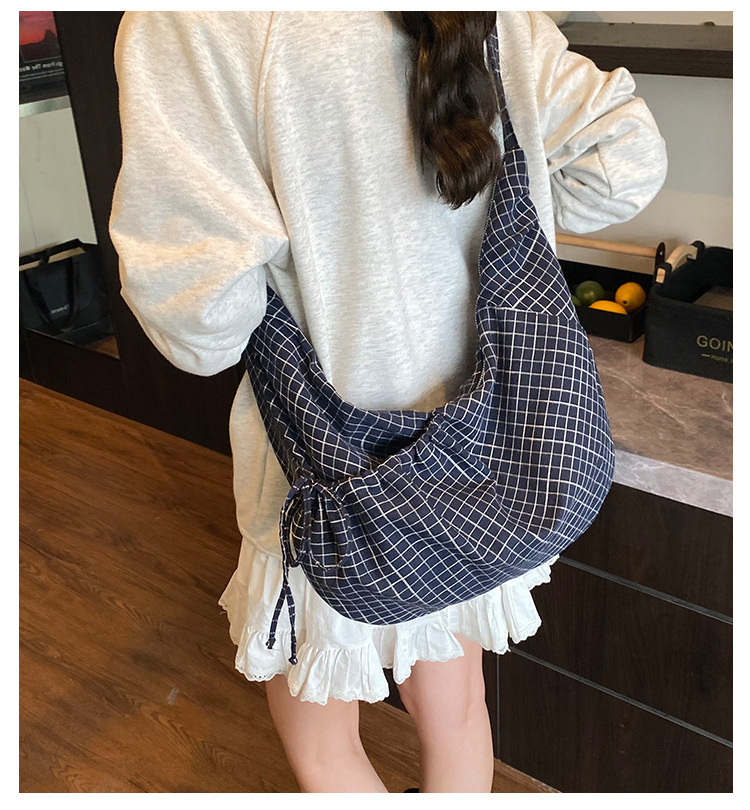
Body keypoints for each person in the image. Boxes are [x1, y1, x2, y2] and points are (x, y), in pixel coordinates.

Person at [108, 11, 667, 793]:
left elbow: (200, 324)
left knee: (323, 742)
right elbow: (625, 161)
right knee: (458, 710)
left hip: (325, 475)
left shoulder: (194, 19)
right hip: (486, 474)